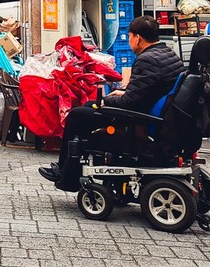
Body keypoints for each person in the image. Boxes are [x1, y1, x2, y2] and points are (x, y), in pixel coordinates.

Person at [40, 16, 182, 190]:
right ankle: (67, 168)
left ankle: (67, 175)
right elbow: (147, 90)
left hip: (139, 117)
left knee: (77, 115)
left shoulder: (147, 59)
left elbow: (130, 102)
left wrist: (106, 100)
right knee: (86, 108)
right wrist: (123, 92)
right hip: (152, 108)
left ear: (137, 38)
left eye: (130, 36)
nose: (129, 40)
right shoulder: (167, 53)